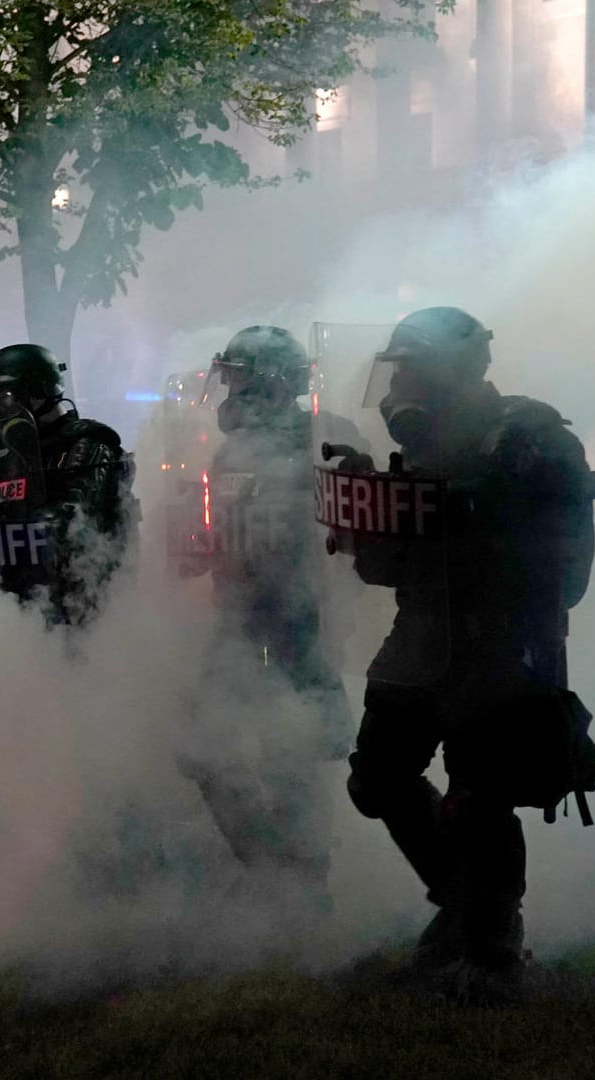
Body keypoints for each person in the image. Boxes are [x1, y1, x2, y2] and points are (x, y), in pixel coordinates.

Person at [338, 307, 595, 992]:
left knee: (480, 797)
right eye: (398, 373)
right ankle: (462, 908)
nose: (401, 389)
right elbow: (391, 566)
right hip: (422, 636)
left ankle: (492, 943)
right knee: (376, 778)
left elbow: (561, 560)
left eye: (415, 371)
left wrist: (462, 513)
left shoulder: (527, 435)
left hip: (499, 640)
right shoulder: (428, 448)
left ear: (457, 370)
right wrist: (368, 505)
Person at [178, 327, 349, 889]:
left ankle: (303, 884)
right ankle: (273, 866)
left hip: (299, 623)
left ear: (273, 383)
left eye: (239, 379)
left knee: (291, 753)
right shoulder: (234, 451)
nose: (229, 393)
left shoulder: (321, 440)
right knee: (200, 748)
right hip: (239, 622)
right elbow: (224, 537)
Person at [0, 343, 134, 626]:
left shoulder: (89, 446)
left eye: (4, 399)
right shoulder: (10, 460)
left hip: (79, 607)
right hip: (23, 604)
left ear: (39, 393)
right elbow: (8, 522)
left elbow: (73, 524)